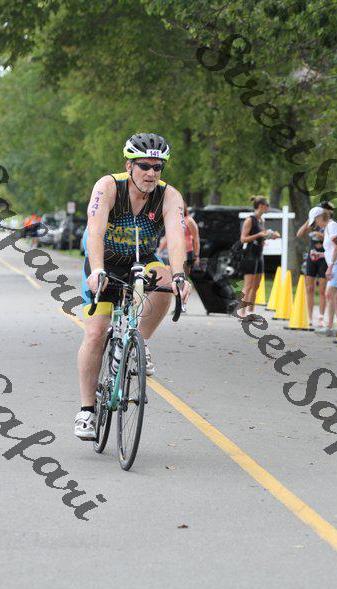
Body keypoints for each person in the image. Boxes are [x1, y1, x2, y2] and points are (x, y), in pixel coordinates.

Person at [75, 133, 191, 439]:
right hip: (105, 261)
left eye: (158, 167)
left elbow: (176, 237)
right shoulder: (108, 186)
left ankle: (141, 340)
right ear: (129, 166)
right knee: (95, 333)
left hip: (142, 259)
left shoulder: (169, 196)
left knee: (165, 278)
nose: (151, 173)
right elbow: (95, 230)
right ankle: (87, 410)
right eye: (144, 166)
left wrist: (180, 275)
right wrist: (96, 269)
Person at [237, 196, 279, 321]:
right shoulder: (250, 220)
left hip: (259, 254)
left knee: (256, 286)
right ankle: (242, 313)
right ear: (260, 206)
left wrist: (271, 236)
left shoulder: (262, 220)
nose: (268, 207)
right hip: (250, 254)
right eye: (267, 205)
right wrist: (258, 235)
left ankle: (251, 312)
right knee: (248, 285)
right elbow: (243, 239)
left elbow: (262, 236)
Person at [311, 207, 337, 337]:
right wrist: (320, 255)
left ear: (319, 217)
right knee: (335, 296)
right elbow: (331, 250)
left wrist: (330, 266)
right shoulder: (329, 228)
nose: (315, 224)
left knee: (329, 293)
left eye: (315, 221)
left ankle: (329, 327)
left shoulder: (332, 226)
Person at [296, 201, 334, 327]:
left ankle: (321, 317)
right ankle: (309, 316)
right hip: (312, 258)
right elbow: (299, 234)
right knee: (309, 288)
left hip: (324, 258)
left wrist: (321, 236)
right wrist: (309, 219)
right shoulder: (314, 224)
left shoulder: (329, 225)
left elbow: (334, 241)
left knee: (322, 289)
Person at [158, 201, 200, 275]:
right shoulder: (173, 221)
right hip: (173, 251)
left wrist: (196, 256)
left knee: (183, 274)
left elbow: (196, 239)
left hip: (187, 252)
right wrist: (159, 251)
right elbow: (166, 237)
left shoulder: (189, 221)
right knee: (171, 273)